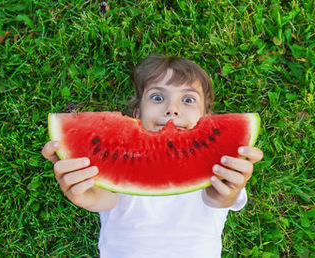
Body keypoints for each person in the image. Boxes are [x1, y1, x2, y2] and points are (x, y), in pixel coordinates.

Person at [40, 55, 264, 257]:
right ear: (136, 115)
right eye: (157, 98)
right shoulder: (121, 159)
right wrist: (85, 194)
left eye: (188, 100)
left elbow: (220, 199)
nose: (172, 109)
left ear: (207, 119)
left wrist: (225, 193)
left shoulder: (220, 164)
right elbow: (105, 199)